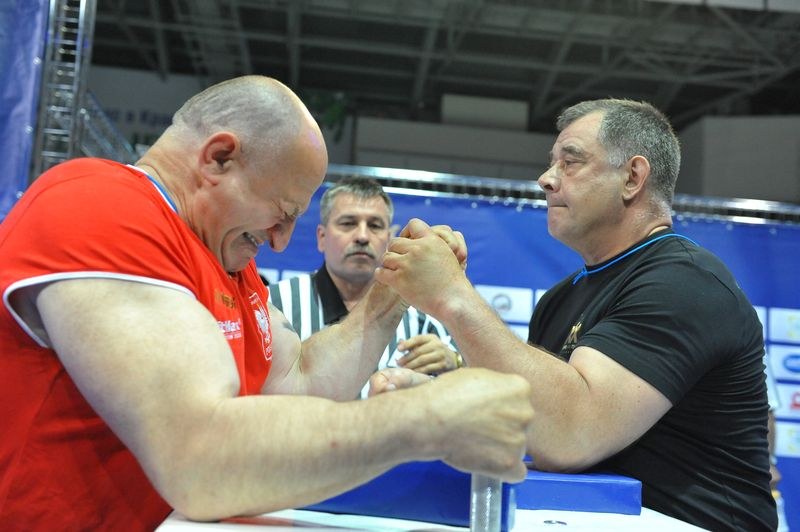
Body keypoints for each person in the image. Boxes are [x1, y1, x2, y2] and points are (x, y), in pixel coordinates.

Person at [0, 75, 534, 530]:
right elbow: (198, 460)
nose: (281, 240)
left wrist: (393, 291)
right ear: (219, 157)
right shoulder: (99, 206)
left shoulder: (224, 255)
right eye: (281, 211)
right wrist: (430, 418)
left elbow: (298, 382)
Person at [371, 98, 777, 531]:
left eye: (571, 162)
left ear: (633, 178)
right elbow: (539, 430)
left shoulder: (686, 282)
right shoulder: (560, 299)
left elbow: (572, 435)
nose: (546, 179)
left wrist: (452, 295)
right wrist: (440, 397)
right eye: (552, 163)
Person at [269, 177, 462, 398]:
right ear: (322, 237)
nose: (362, 236)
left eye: (375, 225)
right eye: (348, 223)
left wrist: (454, 363)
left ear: (389, 239)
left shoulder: (421, 314)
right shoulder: (273, 304)